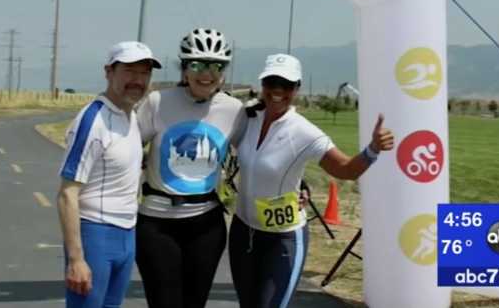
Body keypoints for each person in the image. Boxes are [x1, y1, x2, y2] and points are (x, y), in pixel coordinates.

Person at [229, 53, 395, 308]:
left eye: (286, 85)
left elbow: (346, 169)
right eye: (271, 82)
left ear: (297, 89)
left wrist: (372, 149)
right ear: (262, 84)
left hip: (282, 239)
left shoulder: (303, 131)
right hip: (243, 233)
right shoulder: (247, 117)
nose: (277, 91)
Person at [135, 28, 246, 308]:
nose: (205, 73)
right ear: (184, 69)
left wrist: (301, 185)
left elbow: (258, 155)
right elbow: (128, 151)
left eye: (215, 65)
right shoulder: (158, 102)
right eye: (196, 64)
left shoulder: (234, 110)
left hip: (205, 224)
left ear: (223, 72)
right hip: (157, 223)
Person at [56, 41, 162, 308]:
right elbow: (67, 193)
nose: (138, 80)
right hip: (95, 236)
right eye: (130, 71)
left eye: (144, 73)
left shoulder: (131, 116)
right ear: (109, 71)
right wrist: (76, 259)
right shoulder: (94, 120)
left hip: (127, 234)